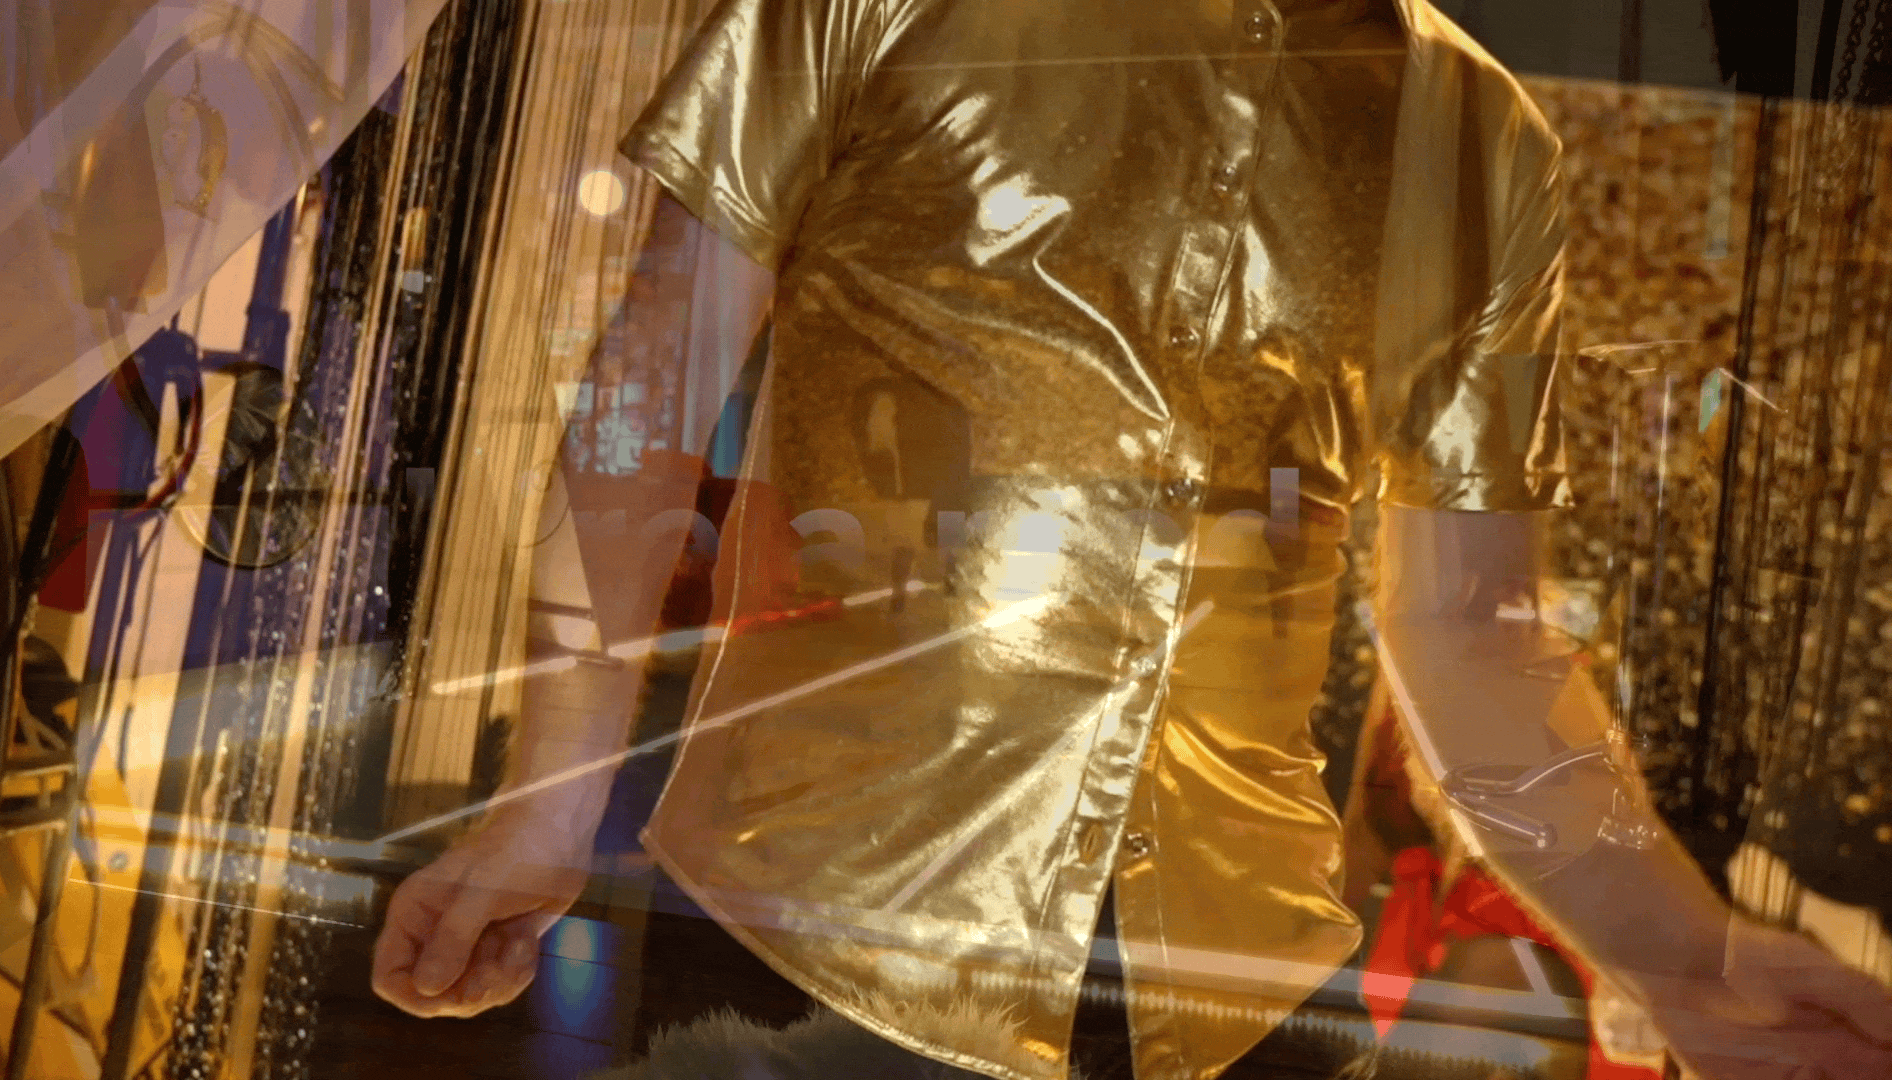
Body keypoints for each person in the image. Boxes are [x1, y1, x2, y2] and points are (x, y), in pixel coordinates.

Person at [370, 1, 1892, 1077]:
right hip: (819, 961)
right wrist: (545, 806)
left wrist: (1683, 956)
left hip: (1248, 1001)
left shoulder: (1482, 135)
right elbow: (648, 396)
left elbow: (1473, 637)